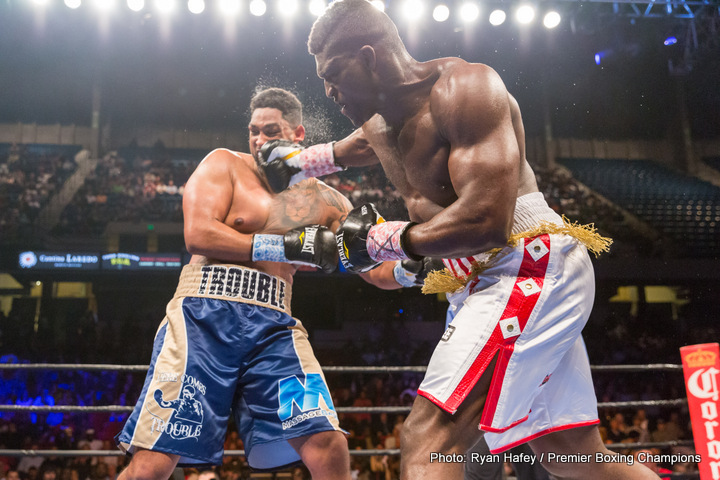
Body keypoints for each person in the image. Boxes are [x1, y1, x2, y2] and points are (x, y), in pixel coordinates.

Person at [257, 1, 662, 478]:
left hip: (524, 258)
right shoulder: (376, 122)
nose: (327, 90)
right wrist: (296, 161)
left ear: (369, 57)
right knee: (569, 452)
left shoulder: (466, 89)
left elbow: (489, 219)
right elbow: (349, 150)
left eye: (333, 74)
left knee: (428, 439)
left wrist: (386, 239)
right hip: (475, 276)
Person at [115, 87, 415, 480]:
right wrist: (283, 246)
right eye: (254, 131)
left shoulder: (327, 201)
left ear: (298, 134)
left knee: (328, 443)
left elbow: (371, 268)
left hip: (274, 326)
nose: (259, 141)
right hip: (203, 317)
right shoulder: (223, 164)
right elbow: (199, 234)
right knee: (155, 461)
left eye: (270, 131)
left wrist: (413, 268)